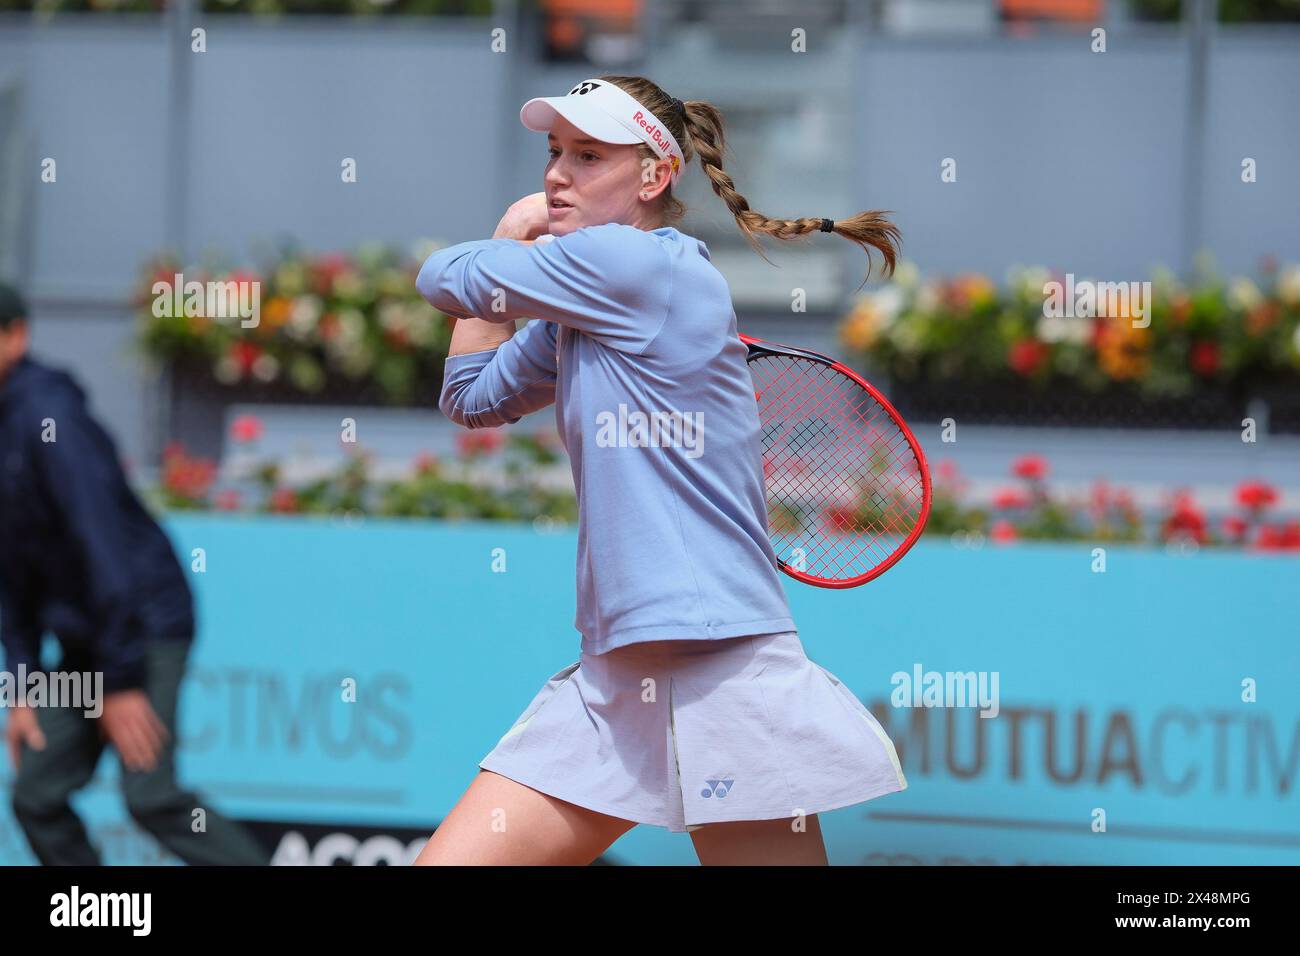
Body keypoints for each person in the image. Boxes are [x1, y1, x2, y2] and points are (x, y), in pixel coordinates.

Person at [412, 76, 907, 866]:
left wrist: (512, 229)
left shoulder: (631, 267)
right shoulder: (589, 302)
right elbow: (470, 397)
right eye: (553, 154)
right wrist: (513, 264)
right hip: (616, 682)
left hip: (724, 669)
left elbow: (442, 276)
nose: (556, 176)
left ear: (653, 176)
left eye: (587, 155)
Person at [0, 282, 269, 866]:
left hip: (140, 628)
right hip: (85, 641)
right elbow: (9, 574)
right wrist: (21, 682)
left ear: (14, 336)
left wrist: (119, 680)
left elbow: (106, 550)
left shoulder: (51, 417)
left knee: (151, 795)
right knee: (37, 795)